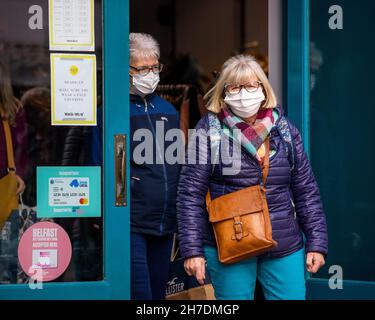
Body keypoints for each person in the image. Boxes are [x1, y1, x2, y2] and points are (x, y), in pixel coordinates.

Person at [176, 54, 328, 300]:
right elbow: (189, 194)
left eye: (250, 85)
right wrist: (192, 250)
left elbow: (306, 189)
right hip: (228, 241)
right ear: (224, 92)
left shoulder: (285, 130)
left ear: (263, 89)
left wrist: (316, 242)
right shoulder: (209, 130)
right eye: (235, 86)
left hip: (283, 243)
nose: (244, 93)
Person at [129, 33, 180, 300]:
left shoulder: (169, 110)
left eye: (154, 67)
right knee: (141, 296)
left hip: (165, 221)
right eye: (142, 68)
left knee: (158, 296)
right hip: (131, 223)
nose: (150, 74)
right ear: (125, 71)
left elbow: (176, 163)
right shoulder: (112, 111)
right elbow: (101, 164)